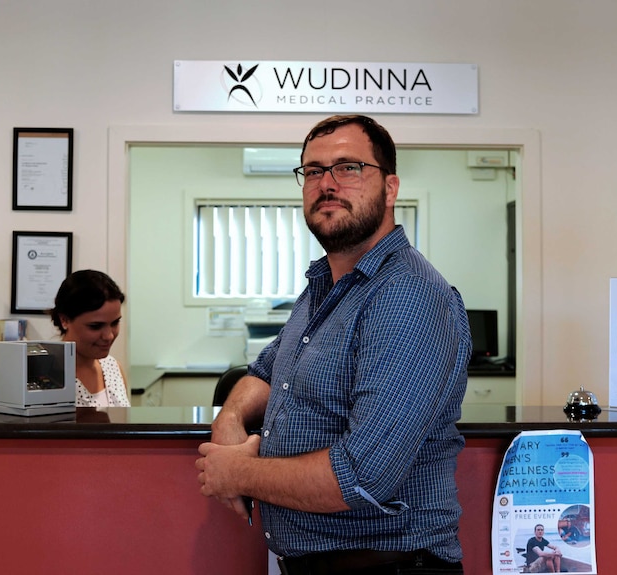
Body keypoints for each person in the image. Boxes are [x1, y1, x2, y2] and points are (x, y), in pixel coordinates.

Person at [196, 115, 472, 574]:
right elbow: (266, 372)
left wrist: (237, 471)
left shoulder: (407, 295)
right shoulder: (325, 286)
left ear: (390, 187)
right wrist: (230, 417)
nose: (327, 183)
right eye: (313, 171)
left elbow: (362, 477)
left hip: (387, 564)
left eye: (348, 168)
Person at [50, 269, 130, 407]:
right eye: (95, 326)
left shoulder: (113, 368)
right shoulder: (48, 376)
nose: (109, 336)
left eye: (115, 323)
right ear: (65, 320)